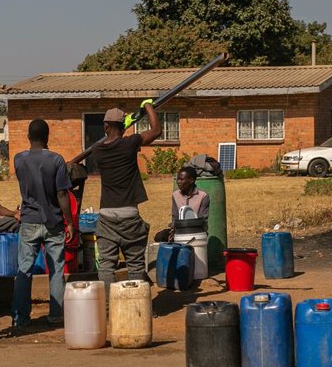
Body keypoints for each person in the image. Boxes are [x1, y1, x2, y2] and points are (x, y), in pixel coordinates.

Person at [90, 100, 162, 298]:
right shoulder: (129, 144)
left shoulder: (97, 151)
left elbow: (113, 138)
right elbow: (155, 131)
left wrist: (125, 124)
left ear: (105, 126)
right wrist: (148, 107)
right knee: (136, 264)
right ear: (123, 127)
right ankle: (137, 305)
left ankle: (106, 309)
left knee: (106, 265)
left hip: (106, 215)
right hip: (129, 214)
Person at [12, 119, 74, 329]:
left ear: (28, 137)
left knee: (24, 269)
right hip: (53, 222)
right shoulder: (56, 160)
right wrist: (70, 222)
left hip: (29, 220)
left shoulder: (18, 159)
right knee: (56, 269)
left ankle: (21, 317)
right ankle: (56, 314)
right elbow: (62, 194)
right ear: (48, 137)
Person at [153, 166, 210, 242]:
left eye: (181, 179)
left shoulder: (203, 196)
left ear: (191, 180)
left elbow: (202, 221)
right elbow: (175, 216)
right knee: (159, 237)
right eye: (177, 179)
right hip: (179, 230)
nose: (178, 182)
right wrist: (173, 230)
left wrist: (185, 230)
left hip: (197, 231)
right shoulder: (175, 195)